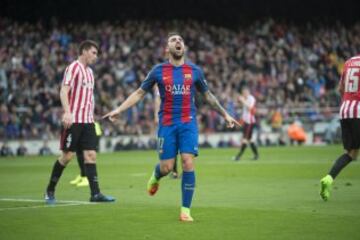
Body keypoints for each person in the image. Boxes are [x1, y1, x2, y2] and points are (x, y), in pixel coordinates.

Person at [103, 32, 239, 221]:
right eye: (173, 40)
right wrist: (119, 109)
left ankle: (185, 210)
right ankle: (156, 175)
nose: (178, 42)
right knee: (167, 167)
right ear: (167, 48)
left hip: (188, 122)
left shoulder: (195, 71)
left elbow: (208, 96)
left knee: (188, 162)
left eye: (181, 40)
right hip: (167, 123)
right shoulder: (158, 71)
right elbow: (139, 93)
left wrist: (225, 114)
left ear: (184, 48)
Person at [44, 40, 115, 204]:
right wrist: (67, 112)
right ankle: (50, 190)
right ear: (84, 51)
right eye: (94, 53)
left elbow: (88, 98)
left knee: (91, 155)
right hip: (74, 120)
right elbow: (64, 90)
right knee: (67, 156)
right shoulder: (73, 68)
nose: (96, 57)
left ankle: (95, 194)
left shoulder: (90, 72)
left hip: (88, 121)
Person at [320, 55, 360, 201]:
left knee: (351, 154)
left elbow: (340, 89)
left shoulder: (349, 62)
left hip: (345, 110)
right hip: (358, 111)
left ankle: (329, 178)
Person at [69, 121, 101, 187]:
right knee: (79, 153)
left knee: (85, 155)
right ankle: (82, 175)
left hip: (90, 129)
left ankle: (86, 177)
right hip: (81, 127)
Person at [233, 87, 259, 161]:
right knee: (250, 140)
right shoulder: (246, 99)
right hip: (246, 122)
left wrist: (242, 100)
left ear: (248, 92)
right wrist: (241, 122)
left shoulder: (251, 99)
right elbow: (244, 112)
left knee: (245, 139)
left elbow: (250, 108)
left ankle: (238, 156)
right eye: (243, 93)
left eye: (244, 93)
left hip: (250, 122)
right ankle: (256, 155)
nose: (243, 94)